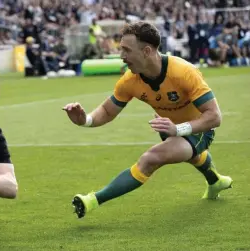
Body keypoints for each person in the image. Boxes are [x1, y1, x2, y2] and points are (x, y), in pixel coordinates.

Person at [62, 21, 232, 219]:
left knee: (151, 159)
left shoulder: (184, 72)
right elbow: (108, 112)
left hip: (199, 129)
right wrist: (85, 119)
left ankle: (91, 200)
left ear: (147, 51)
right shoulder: (130, 80)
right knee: (189, 154)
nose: (122, 56)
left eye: (126, 50)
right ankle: (216, 181)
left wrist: (178, 130)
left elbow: (214, 116)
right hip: (169, 128)